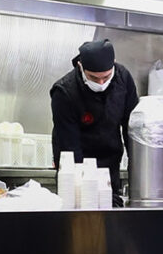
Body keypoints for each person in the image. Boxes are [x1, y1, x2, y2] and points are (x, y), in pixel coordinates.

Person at [48, 38, 140, 202]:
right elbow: (69, 148)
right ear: (80, 66)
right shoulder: (64, 93)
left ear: (114, 64)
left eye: (106, 77)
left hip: (110, 167)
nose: (101, 83)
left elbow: (132, 131)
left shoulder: (123, 78)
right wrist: (83, 189)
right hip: (76, 169)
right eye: (94, 78)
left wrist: (138, 179)